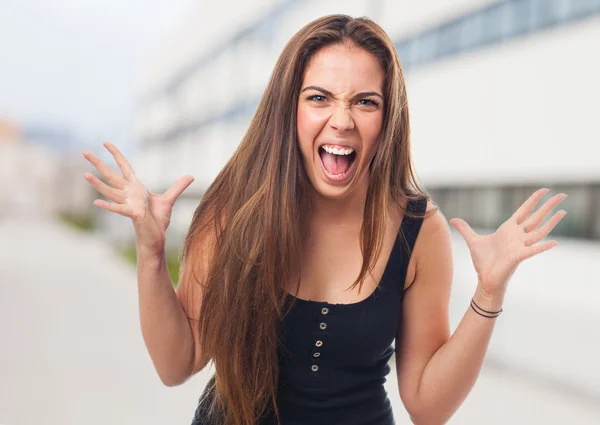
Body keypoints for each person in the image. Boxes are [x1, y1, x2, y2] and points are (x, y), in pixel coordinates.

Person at [82, 14, 567, 425]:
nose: (342, 119)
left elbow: (427, 406)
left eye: (364, 101)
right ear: (288, 109)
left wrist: (488, 294)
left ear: (387, 119)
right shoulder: (234, 210)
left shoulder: (419, 231)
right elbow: (176, 362)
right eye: (319, 98)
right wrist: (149, 253)